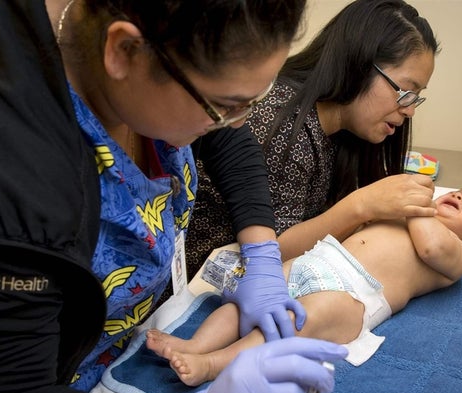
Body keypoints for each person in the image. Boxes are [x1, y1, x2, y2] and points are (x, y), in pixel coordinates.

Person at [0, 0, 348, 393]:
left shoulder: (163, 56)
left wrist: (261, 252)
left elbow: (227, 135)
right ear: (124, 51)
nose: (240, 122)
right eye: (225, 107)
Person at [147, 187, 462, 386]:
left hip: (355, 295)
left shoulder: (458, 256)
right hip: (320, 260)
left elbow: (430, 246)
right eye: (461, 191)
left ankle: (213, 364)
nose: (460, 194)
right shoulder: (407, 216)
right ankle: (195, 344)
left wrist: (416, 207)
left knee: (299, 322)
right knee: (249, 297)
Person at [186, 0, 441, 278]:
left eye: (416, 96)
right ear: (359, 64)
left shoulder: (338, 133)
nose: (410, 109)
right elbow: (268, 251)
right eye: (405, 90)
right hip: (204, 278)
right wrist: (361, 206)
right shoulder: (280, 122)